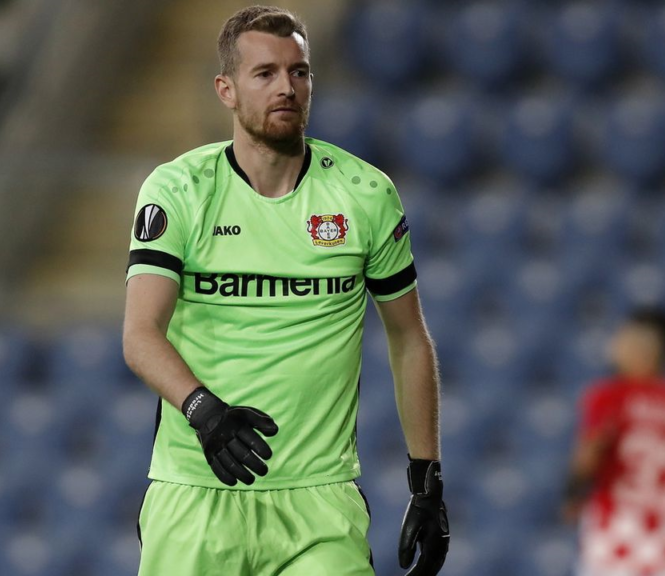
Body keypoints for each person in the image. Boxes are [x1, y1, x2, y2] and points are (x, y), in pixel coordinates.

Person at [121, 6, 448, 575]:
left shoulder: (364, 195)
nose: (286, 88)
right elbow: (140, 334)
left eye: (299, 72)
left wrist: (427, 481)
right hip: (195, 493)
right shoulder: (178, 190)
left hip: (320, 503)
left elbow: (409, 339)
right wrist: (204, 412)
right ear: (226, 90)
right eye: (265, 73)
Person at [563, 308, 665, 576]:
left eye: (622, 340)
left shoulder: (611, 396)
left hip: (614, 551)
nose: (614, 347)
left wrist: (571, 493)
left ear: (645, 349)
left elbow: (590, 453)